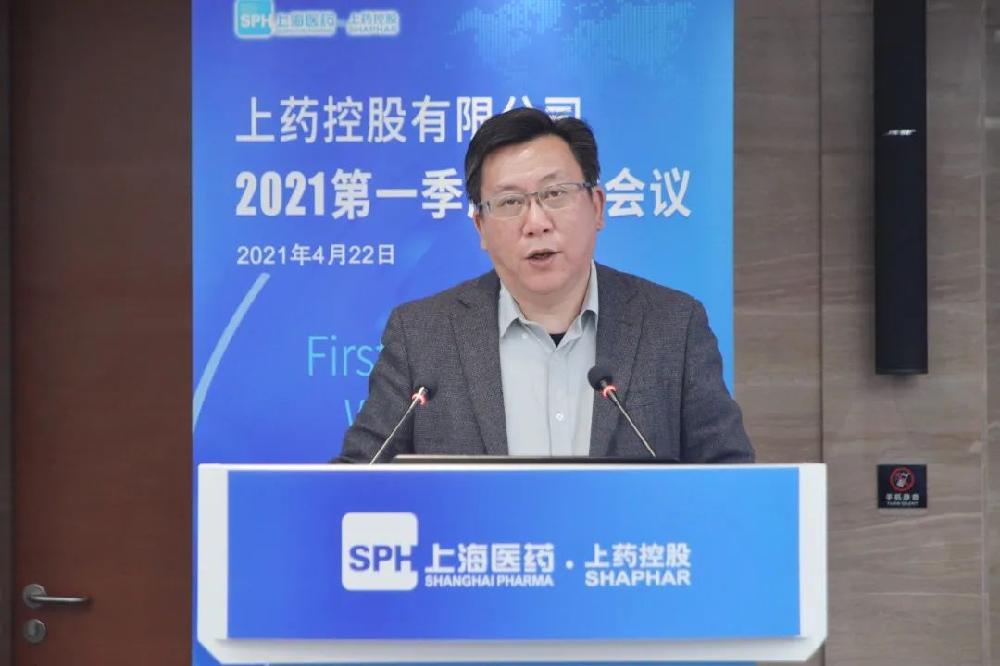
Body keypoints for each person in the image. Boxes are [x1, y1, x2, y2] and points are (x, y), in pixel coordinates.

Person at [339, 108, 753, 464]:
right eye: (509, 202)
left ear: (597, 207)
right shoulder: (422, 336)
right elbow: (357, 478)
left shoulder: (673, 326)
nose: (536, 222)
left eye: (555, 193)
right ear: (481, 227)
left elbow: (731, 479)